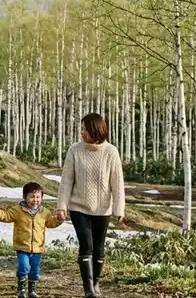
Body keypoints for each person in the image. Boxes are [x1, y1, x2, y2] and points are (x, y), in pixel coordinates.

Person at [55, 113, 126, 298]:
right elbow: (66, 181)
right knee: (86, 245)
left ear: (96, 130)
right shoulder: (74, 150)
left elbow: (117, 182)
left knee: (99, 247)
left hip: (103, 208)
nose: (82, 132)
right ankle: (88, 290)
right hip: (79, 206)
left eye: (85, 129)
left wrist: (119, 209)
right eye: (81, 128)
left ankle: (95, 283)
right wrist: (62, 205)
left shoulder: (111, 152)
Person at [0, 182, 64, 298]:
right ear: (25, 197)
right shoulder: (18, 210)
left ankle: (32, 290)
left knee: (35, 270)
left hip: (37, 247)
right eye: (32, 197)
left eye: (38, 197)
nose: (35, 200)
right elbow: (5, 216)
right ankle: (21, 288)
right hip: (22, 246)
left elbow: (50, 223)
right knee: (23, 267)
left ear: (41, 198)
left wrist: (59, 220)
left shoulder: (44, 213)